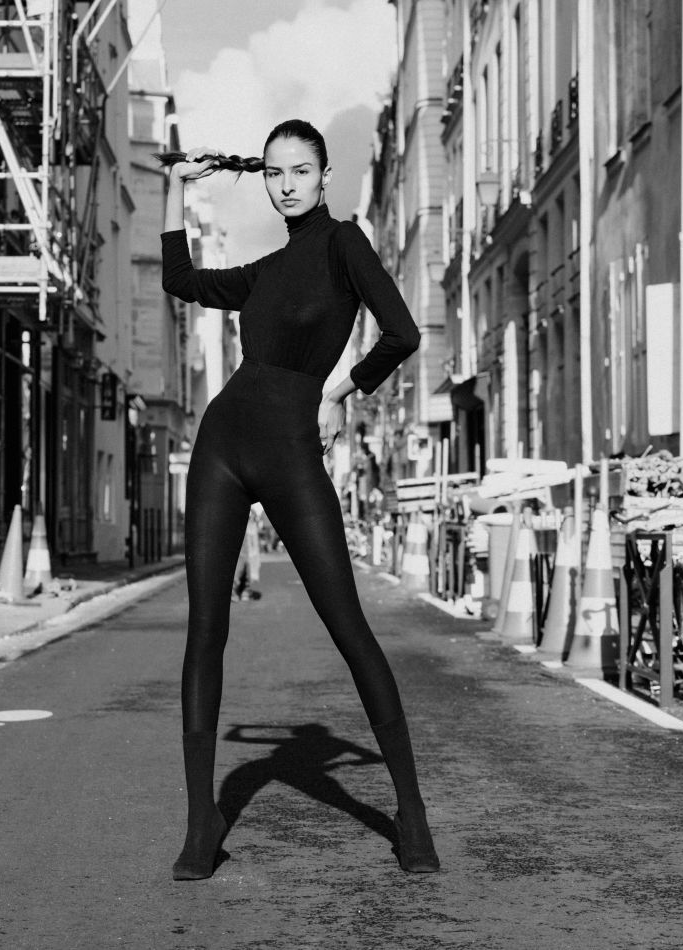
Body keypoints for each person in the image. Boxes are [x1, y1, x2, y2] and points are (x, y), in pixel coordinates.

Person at [158, 119, 439, 880]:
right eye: (274, 173)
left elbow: (402, 333)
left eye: (300, 171)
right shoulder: (265, 269)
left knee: (349, 627)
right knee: (205, 630)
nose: (286, 185)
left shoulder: (344, 244)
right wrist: (175, 189)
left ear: (324, 175)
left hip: (291, 452)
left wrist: (338, 392)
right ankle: (201, 822)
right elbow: (181, 281)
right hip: (223, 445)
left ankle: (411, 814)